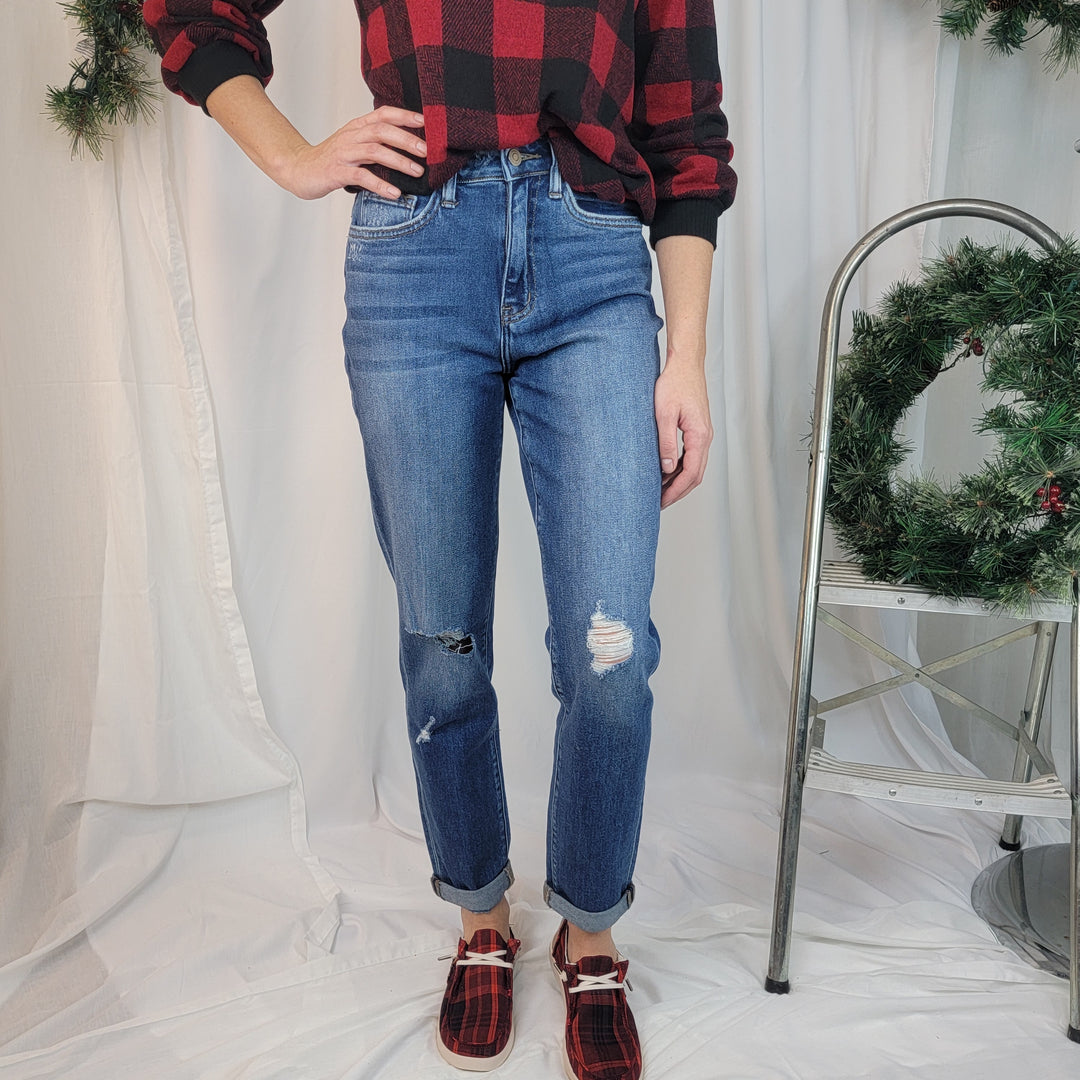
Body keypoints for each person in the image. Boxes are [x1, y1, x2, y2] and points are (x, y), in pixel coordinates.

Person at [144, 2, 736, 1076]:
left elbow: (687, 143)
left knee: (609, 651)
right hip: (417, 263)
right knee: (443, 642)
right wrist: (288, 155)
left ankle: (591, 927)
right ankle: (480, 917)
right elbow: (189, 12)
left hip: (596, 269)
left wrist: (685, 356)